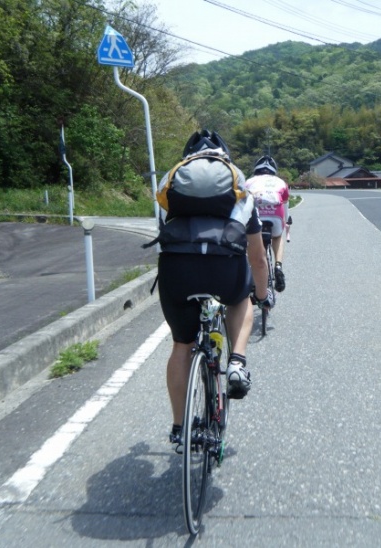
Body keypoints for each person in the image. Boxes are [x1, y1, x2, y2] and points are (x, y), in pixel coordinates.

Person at [152, 130, 273, 452]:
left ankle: (180, 428)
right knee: (240, 299)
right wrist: (261, 295)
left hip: (176, 270)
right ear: (226, 158)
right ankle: (236, 361)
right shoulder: (240, 185)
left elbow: (162, 233)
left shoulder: (170, 182)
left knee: (182, 345)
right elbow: (258, 258)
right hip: (224, 268)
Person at [244, 155, 290, 292]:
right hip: (275, 216)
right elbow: (285, 206)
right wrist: (286, 222)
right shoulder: (281, 182)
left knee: (249, 239)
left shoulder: (248, 182)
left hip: (255, 216)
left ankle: (251, 271)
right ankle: (278, 266)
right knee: (277, 236)